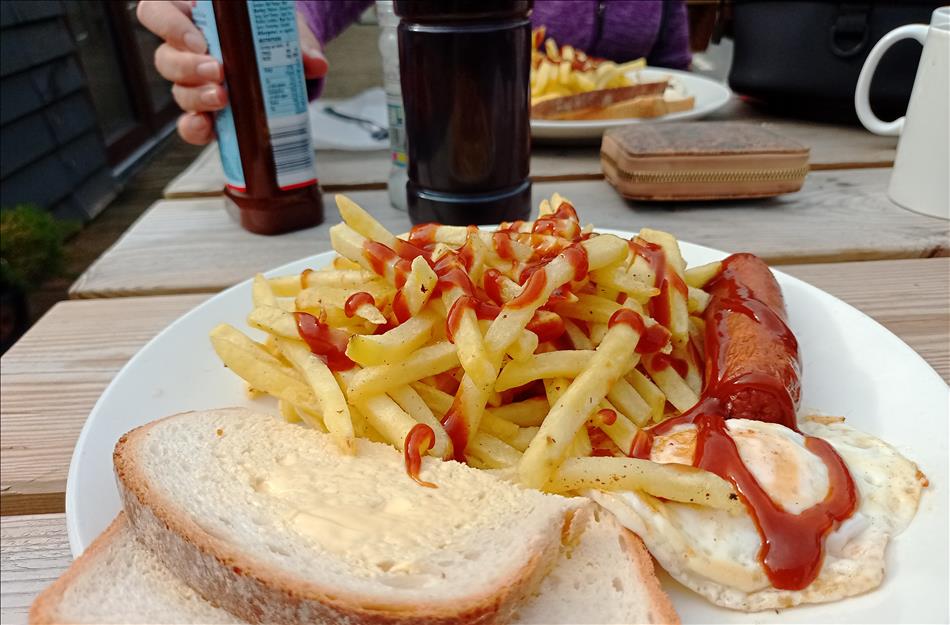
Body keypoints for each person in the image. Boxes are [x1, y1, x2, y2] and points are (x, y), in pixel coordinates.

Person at [137, 0, 691, 146]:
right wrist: (268, 27)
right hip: (440, 152)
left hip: (632, 159)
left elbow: (674, 77)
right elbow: (307, 6)